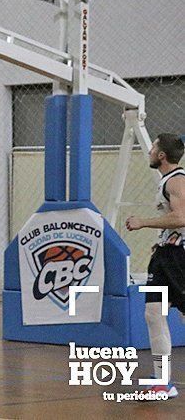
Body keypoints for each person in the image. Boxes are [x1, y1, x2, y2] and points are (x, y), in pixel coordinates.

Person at [126, 133, 185, 399]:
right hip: (166, 256)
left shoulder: (175, 181)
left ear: (161, 156)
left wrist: (143, 222)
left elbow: (181, 218)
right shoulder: (170, 181)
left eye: (153, 147)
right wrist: (161, 242)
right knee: (153, 312)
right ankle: (163, 382)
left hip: (178, 258)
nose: (150, 151)